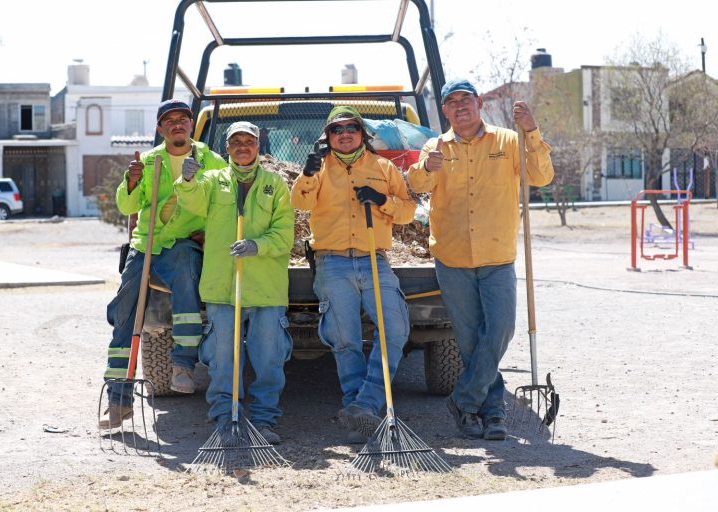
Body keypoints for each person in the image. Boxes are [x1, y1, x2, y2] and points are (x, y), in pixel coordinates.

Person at [407, 79, 555, 440]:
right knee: (470, 340)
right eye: (452, 102)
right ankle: (488, 413)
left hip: (497, 255)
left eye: (466, 100)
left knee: (502, 329)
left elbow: (542, 177)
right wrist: (429, 168)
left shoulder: (509, 140)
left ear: (479, 104)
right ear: (444, 110)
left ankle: (463, 399)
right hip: (453, 257)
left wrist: (532, 130)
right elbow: (415, 185)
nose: (460, 107)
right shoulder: (435, 145)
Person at [291, 106, 416, 443]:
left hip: (374, 259)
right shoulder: (318, 168)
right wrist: (306, 173)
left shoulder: (383, 167)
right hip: (331, 262)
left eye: (351, 127)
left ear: (362, 133)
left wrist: (381, 200)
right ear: (327, 137)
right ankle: (357, 413)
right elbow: (300, 203)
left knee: (394, 329)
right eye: (336, 129)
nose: (344, 133)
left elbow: (408, 211)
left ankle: (366, 402)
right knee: (344, 340)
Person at [99, 99, 226, 430]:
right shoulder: (150, 161)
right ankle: (119, 397)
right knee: (126, 309)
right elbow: (127, 204)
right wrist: (130, 182)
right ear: (161, 129)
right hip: (147, 244)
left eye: (183, 119)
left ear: (190, 125)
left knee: (185, 272)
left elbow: (223, 201)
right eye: (169, 121)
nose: (177, 124)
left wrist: (209, 233)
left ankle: (183, 364)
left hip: (183, 243)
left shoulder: (209, 159)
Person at [175, 121, 294, 444]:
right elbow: (192, 203)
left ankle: (265, 422)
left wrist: (259, 246)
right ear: (226, 148)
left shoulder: (275, 184)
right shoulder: (212, 181)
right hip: (222, 287)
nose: (243, 146)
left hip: (266, 288)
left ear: (259, 146)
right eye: (236, 141)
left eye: (249, 141)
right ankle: (226, 419)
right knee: (223, 358)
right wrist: (186, 179)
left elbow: (285, 234)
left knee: (269, 359)